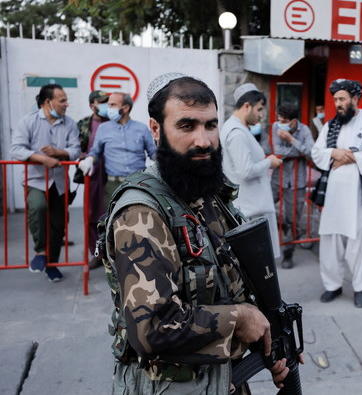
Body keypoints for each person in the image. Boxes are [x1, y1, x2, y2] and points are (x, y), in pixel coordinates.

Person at [105, 73, 294, 394]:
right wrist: (240, 319)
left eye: (210, 125)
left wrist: (269, 337)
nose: (204, 140)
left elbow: (229, 280)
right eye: (186, 126)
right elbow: (150, 329)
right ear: (155, 129)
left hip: (223, 379)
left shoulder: (207, 194)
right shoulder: (141, 212)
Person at [311, 79, 362, 308]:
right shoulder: (330, 125)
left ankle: (359, 288)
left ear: (355, 99)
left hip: (359, 196)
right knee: (330, 240)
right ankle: (332, 286)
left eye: (342, 99)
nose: (338, 104)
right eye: (335, 99)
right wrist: (336, 152)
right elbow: (317, 153)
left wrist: (352, 157)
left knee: (358, 242)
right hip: (333, 195)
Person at [10, 84, 81, 282]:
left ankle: (52, 264)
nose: (67, 104)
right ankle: (40, 251)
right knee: (38, 207)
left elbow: (76, 150)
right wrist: (42, 159)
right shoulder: (28, 122)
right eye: (62, 100)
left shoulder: (70, 124)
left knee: (58, 225)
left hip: (59, 182)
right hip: (35, 180)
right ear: (48, 102)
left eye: (66, 99)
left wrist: (59, 153)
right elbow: (16, 149)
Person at [220, 83, 282, 260]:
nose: (262, 115)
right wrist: (269, 162)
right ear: (247, 106)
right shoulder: (237, 133)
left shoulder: (238, 129)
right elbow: (245, 171)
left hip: (252, 207)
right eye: (260, 109)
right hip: (250, 210)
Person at [78, 92, 156, 207]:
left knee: (139, 218)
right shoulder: (103, 128)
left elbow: (153, 153)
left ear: (125, 108)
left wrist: (166, 161)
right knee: (113, 221)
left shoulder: (142, 128)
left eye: (112, 105)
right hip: (113, 185)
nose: (108, 108)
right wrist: (89, 160)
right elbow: (95, 152)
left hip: (139, 183)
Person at [261, 104, 314, 269]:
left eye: (284, 121)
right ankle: (273, 237)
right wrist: (298, 151)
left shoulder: (304, 131)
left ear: (294, 121)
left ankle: (288, 253)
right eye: (279, 119)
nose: (280, 123)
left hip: (297, 181)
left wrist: (291, 140)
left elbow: (312, 152)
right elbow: (274, 150)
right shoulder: (274, 128)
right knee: (264, 208)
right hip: (277, 178)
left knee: (293, 218)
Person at [77, 90, 109, 268]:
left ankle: (112, 254)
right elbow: (76, 147)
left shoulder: (113, 123)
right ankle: (96, 254)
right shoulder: (83, 124)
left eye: (107, 101)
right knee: (91, 216)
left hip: (110, 174)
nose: (105, 105)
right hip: (92, 176)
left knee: (110, 215)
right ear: (92, 105)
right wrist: (83, 157)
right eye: (101, 101)